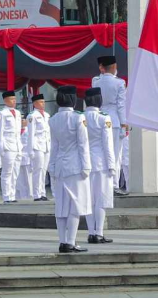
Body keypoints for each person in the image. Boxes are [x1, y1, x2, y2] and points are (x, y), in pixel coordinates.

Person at [49, 86, 92, 253]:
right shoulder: (78, 117)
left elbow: (54, 146)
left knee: (61, 206)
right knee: (76, 204)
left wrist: (52, 166)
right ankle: (70, 241)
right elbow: (83, 144)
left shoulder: (53, 119)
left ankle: (62, 241)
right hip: (76, 166)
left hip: (60, 165)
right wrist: (86, 166)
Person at [84, 87, 115, 244]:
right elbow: (107, 144)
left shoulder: (80, 117)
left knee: (88, 199)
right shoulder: (104, 117)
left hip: (84, 162)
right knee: (101, 199)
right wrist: (112, 165)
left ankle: (91, 232)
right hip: (101, 162)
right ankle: (99, 233)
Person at [92, 56, 127, 195]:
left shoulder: (96, 81)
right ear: (114, 67)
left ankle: (102, 184)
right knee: (115, 155)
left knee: (101, 152)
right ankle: (114, 185)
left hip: (99, 119)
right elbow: (121, 105)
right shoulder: (119, 83)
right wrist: (124, 124)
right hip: (114, 120)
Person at [0, 90, 22, 204]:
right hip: (7, 145)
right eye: (11, 99)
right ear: (5, 100)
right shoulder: (1, 113)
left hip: (17, 145)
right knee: (7, 172)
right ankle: (6, 196)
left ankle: (12, 195)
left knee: (15, 172)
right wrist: (1, 148)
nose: (14, 101)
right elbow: (0, 132)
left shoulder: (17, 113)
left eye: (15, 99)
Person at [26, 94, 51, 202]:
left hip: (46, 145)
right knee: (38, 170)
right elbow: (31, 134)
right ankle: (36, 194)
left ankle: (42, 192)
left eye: (44, 102)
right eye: (41, 102)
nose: (43, 104)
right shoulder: (32, 116)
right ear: (35, 103)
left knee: (44, 170)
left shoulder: (47, 115)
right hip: (37, 145)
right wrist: (30, 150)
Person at [16, 117, 33, 200]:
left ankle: (30, 195)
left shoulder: (29, 131)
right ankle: (22, 196)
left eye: (22, 120)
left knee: (28, 179)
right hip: (19, 158)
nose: (21, 121)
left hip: (27, 158)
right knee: (20, 180)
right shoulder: (17, 131)